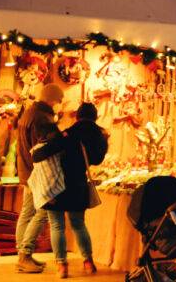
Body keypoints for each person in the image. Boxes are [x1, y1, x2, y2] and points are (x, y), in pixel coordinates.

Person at [31, 102, 108, 279]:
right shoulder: (99, 136)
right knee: (78, 224)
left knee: (57, 226)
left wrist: (36, 153)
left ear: (78, 116)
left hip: (56, 186)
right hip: (78, 185)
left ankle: (62, 266)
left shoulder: (69, 133)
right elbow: (96, 160)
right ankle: (88, 262)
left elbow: (43, 154)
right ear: (95, 117)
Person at [15, 83, 63, 274]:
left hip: (26, 171)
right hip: (38, 173)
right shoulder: (42, 119)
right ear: (52, 100)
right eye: (59, 101)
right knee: (42, 212)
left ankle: (22, 254)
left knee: (27, 211)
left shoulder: (29, 113)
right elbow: (43, 150)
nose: (60, 105)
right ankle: (24, 255)